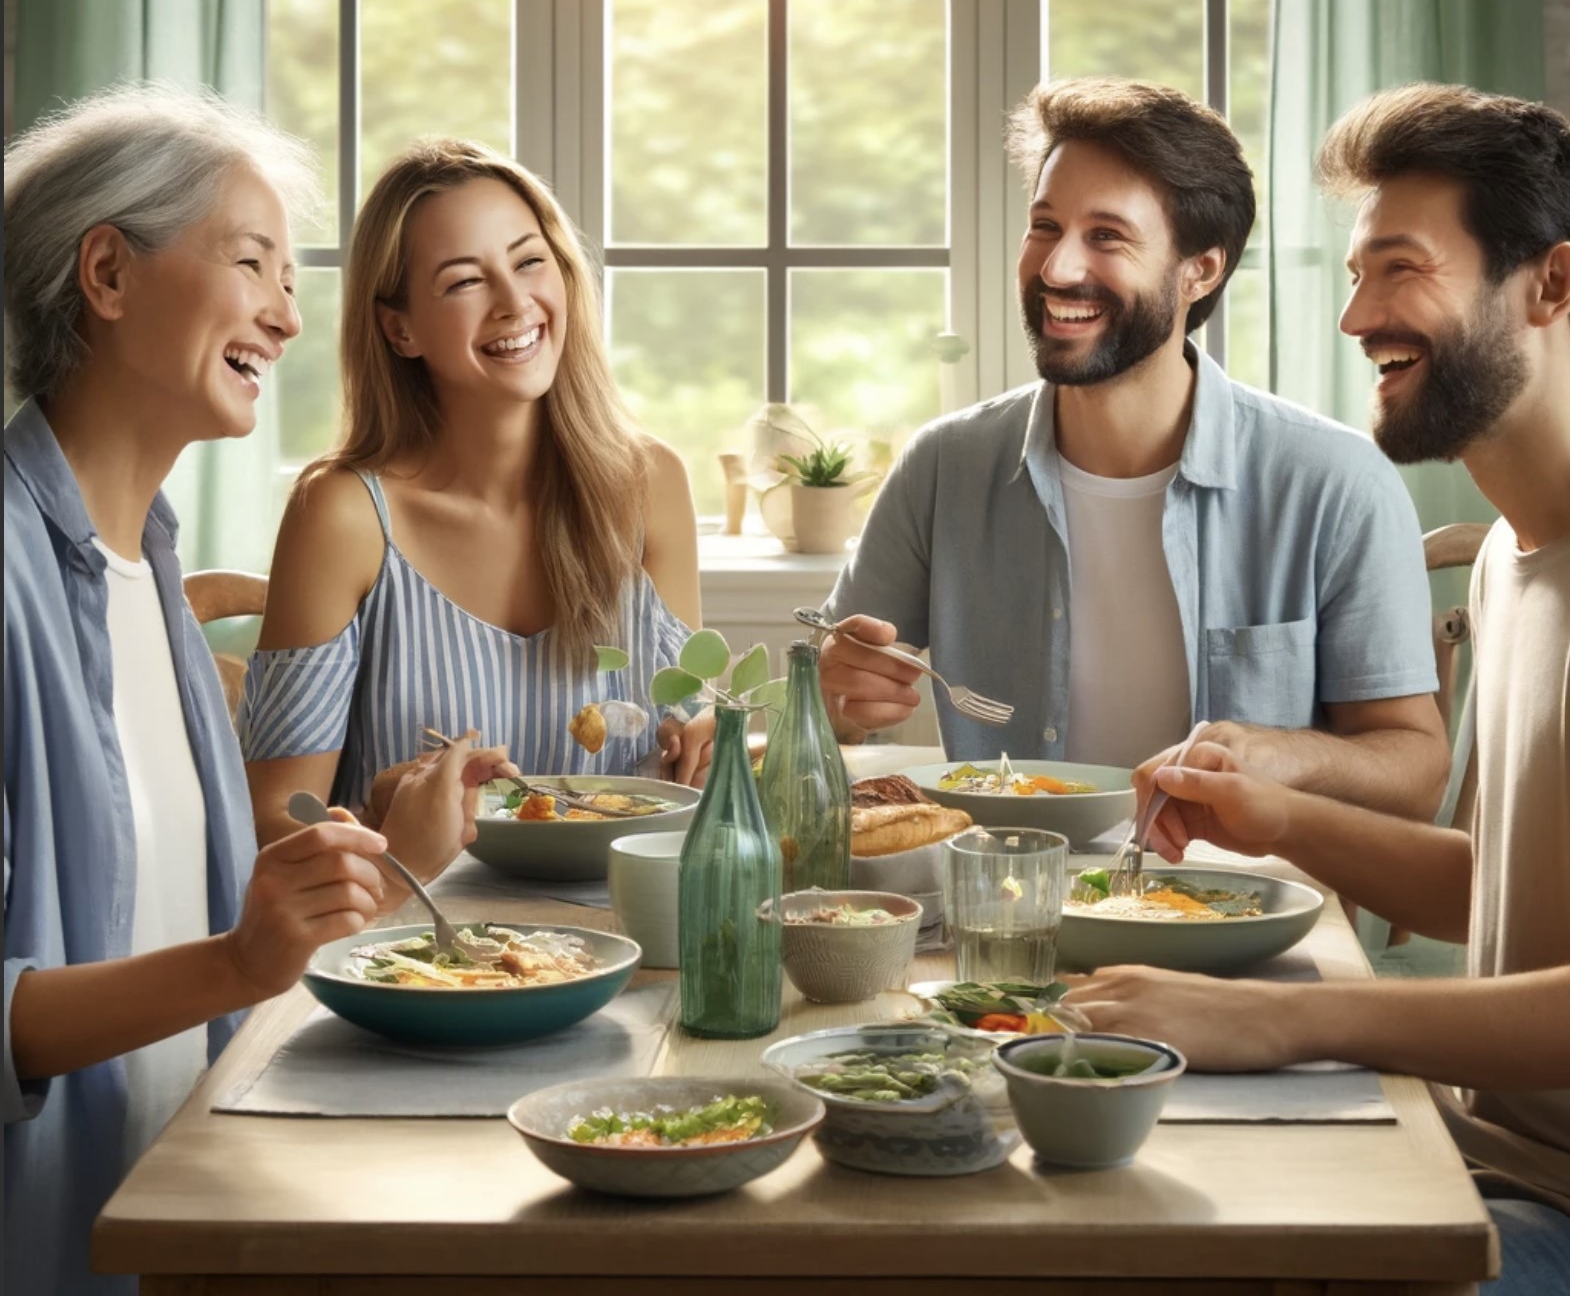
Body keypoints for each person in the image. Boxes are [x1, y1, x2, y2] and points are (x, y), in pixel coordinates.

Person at [1066, 84, 1570, 1292]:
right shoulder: (1510, 556)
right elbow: (1496, 896)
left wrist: (1289, 1018)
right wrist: (1284, 821)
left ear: (1549, 283)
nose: (1356, 316)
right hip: (1467, 1153)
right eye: (1353, 274)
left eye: (1398, 269)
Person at [2, 85, 503, 1296]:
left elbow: (175, 917)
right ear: (109, 273)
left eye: (291, 275)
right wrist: (240, 960)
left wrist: (390, 866)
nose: (286, 315)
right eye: (251, 262)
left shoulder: (156, 570)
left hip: (187, 1222)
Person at [819, 77, 1449, 816]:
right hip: (1007, 905)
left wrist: (1282, 751)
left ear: (1200, 269)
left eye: (1107, 235)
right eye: (1045, 226)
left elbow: (1416, 766)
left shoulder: (1335, 483)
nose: (1057, 269)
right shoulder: (944, 467)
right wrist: (834, 693)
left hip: (1242, 911)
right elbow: (831, 693)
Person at [242, 138, 713, 848]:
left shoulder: (651, 485)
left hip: (628, 928)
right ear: (399, 328)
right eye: (465, 281)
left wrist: (705, 740)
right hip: (415, 940)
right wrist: (380, 811)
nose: (514, 301)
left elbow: (684, 740)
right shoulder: (343, 513)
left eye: (529, 261)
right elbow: (277, 818)